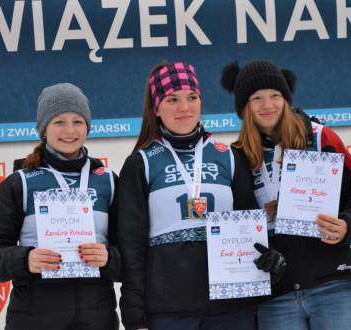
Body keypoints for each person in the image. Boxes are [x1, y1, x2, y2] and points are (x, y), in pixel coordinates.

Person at [117, 61, 286, 330]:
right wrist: (134, 315)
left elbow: (252, 229)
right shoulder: (141, 162)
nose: (184, 108)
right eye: (172, 99)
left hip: (231, 308)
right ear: (156, 108)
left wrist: (270, 259)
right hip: (169, 310)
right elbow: (131, 246)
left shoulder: (228, 156)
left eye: (191, 97)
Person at [221, 60, 351, 330]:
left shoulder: (319, 138)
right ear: (244, 108)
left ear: (286, 98)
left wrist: (347, 226)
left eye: (275, 95)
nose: (267, 105)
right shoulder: (237, 157)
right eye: (256, 98)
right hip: (276, 296)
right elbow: (234, 230)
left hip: (331, 284)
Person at [0, 83, 121, 330]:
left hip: (97, 319)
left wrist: (108, 258)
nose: (69, 130)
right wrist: (26, 259)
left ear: (88, 126)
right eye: (58, 122)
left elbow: (133, 257)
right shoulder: (19, 183)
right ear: (44, 128)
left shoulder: (107, 180)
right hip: (33, 319)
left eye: (78, 121)